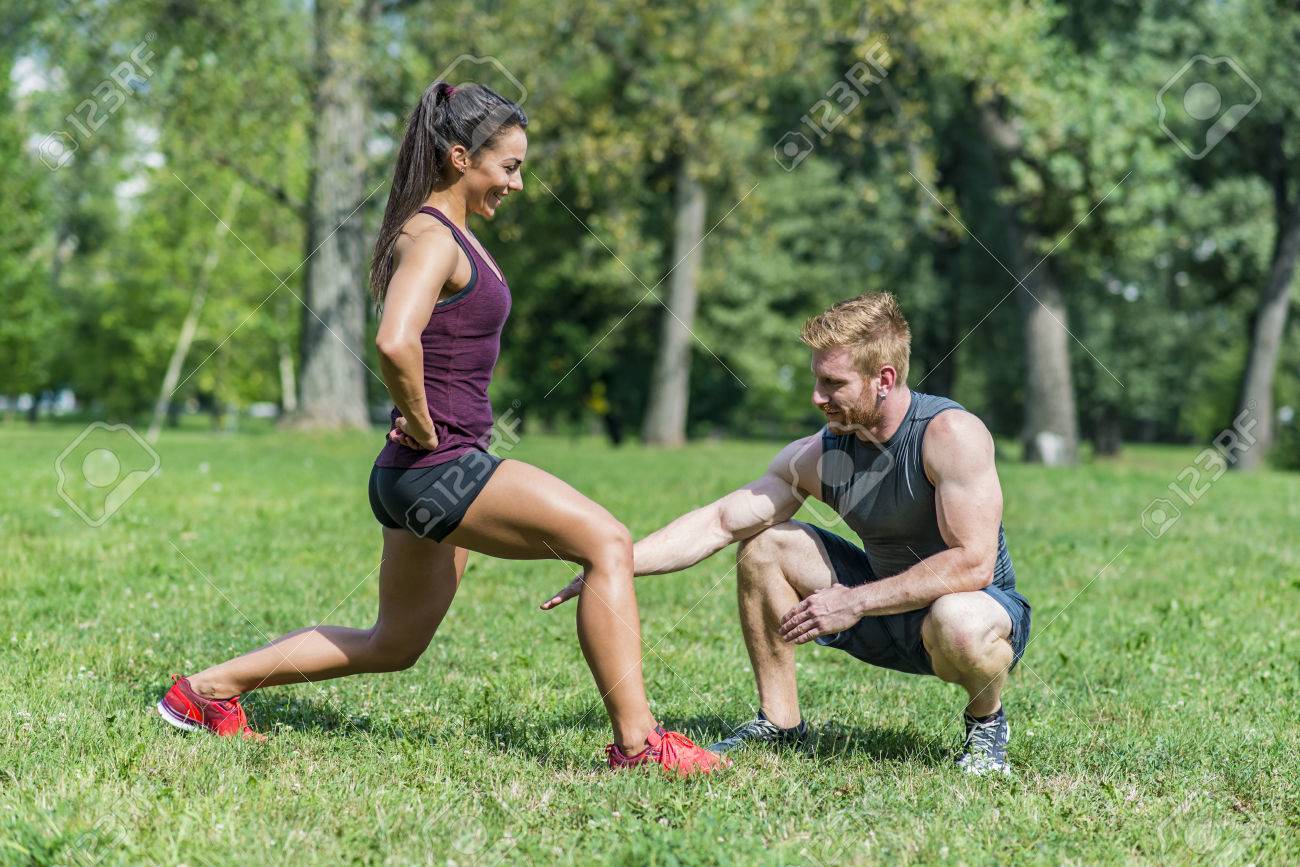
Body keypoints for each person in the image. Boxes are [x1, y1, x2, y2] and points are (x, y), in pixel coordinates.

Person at [157, 80, 727, 776]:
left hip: (415, 475)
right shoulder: (430, 236)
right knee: (607, 541)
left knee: (394, 642)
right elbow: (395, 342)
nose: (517, 182)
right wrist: (426, 426)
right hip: (441, 464)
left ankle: (204, 691)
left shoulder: (447, 233)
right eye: (508, 166)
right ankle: (640, 746)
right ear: (460, 156)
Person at [543, 292, 1031, 774]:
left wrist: (853, 602)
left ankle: (985, 722)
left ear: (883, 379)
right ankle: (781, 722)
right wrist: (614, 565)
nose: (817, 397)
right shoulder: (822, 455)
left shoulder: (950, 435)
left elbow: (973, 563)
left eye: (832, 383)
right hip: (882, 611)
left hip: (970, 611)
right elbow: (719, 522)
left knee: (957, 620)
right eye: (816, 379)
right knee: (766, 544)